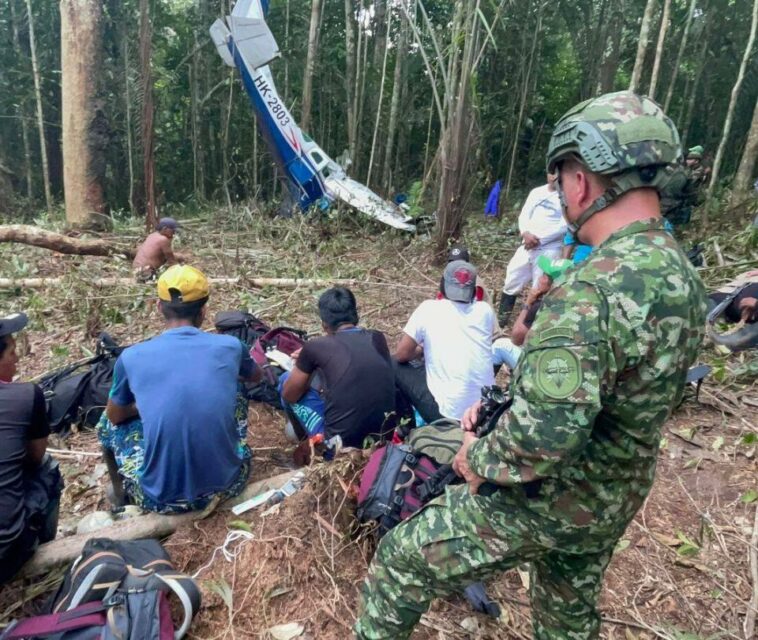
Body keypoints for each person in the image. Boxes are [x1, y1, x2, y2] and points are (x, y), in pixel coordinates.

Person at [355, 91, 708, 640]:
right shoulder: (681, 273)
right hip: (616, 491)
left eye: (561, 176)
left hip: (552, 497)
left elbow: (539, 439)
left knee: (401, 561)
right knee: (566, 614)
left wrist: (478, 457)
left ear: (581, 179)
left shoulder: (593, 291)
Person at [98, 265, 261, 513]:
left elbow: (115, 416)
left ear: (159, 306)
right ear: (204, 311)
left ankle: (122, 495)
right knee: (236, 388)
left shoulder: (131, 357)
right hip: (228, 486)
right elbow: (255, 376)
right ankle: (227, 451)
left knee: (105, 422)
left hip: (160, 500)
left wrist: (147, 405)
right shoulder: (230, 346)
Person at [280, 287, 395, 455]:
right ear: (356, 315)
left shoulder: (316, 346)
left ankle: (310, 447)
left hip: (339, 448)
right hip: (383, 441)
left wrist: (307, 361)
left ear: (324, 324)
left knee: (285, 380)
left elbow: (289, 395)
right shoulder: (377, 338)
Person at [0, 312, 63, 584]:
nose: (17, 358)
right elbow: (35, 457)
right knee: (48, 467)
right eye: (12, 351)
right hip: (6, 555)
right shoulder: (25, 395)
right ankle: (42, 551)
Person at [395, 260, 495, 423]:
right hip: (485, 410)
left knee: (395, 364)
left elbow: (402, 354)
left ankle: (406, 425)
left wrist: (421, 350)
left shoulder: (428, 309)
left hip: (448, 414)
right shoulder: (485, 310)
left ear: (442, 285)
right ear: (473, 290)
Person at [498, 174, 566, 327]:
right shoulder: (536, 192)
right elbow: (524, 215)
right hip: (526, 244)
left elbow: (564, 226)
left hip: (548, 248)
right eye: (551, 173)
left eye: (557, 173)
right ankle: (502, 321)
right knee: (512, 277)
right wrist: (525, 233)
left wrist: (538, 240)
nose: (554, 177)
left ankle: (530, 326)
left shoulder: (566, 197)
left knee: (539, 287)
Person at [132, 217, 182, 281]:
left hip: (136, 270)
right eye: (173, 231)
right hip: (146, 274)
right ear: (165, 229)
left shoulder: (152, 235)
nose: (174, 233)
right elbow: (172, 261)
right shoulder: (163, 239)